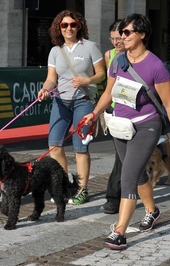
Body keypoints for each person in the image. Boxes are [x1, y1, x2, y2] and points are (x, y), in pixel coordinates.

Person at [83, 13, 170, 250]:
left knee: (128, 177)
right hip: (120, 125)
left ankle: (119, 232)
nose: (122, 36)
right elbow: (109, 92)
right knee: (138, 175)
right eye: (122, 32)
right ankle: (153, 210)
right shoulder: (118, 60)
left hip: (146, 125)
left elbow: (169, 104)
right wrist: (94, 114)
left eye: (127, 32)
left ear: (142, 34)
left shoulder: (156, 66)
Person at [37, 10, 106, 205]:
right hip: (61, 101)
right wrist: (45, 90)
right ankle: (63, 184)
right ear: (58, 28)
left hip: (83, 100)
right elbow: (51, 79)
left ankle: (82, 189)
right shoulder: (55, 50)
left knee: (80, 147)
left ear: (79, 26)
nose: (69, 28)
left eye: (73, 24)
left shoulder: (90, 47)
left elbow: (101, 74)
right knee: (54, 146)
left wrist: (88, 79)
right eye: (64, 25)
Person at [99, 20, 125, 214]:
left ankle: (117, 196)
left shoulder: (139, 55)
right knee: (121, 155)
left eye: (119, 38)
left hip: (135, 111)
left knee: (125, 157)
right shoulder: (109, 55)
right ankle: (115, 197)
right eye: (113, 38)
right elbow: (109, 86)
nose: (116, 42)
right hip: (114, 110)